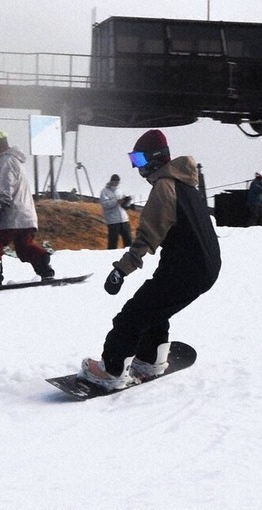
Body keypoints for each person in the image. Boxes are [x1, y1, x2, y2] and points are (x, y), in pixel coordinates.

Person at [78, 129, 221, 389]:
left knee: (131, 317)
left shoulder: (165, 186)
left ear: (155, 159)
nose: (138, 168)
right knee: (154, 307)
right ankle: (151, 357)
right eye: (134, 161)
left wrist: (121, 270)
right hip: (201, 267)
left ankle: (111, 370)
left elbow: (147, 237)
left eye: (140, 161)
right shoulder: (186, 183)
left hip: (187, 269)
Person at [0, 130, 54, 288]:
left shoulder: (5, 160)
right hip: (26, 216)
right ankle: (44, 264)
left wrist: (0, 207)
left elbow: (7, 184)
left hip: (11, 215)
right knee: (24, 247)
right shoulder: (16, 161)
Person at [99, 174, 133, 249]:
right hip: (113, 221)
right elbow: (105, 204)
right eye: (115, 182)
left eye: (118, 182)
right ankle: (111, 256)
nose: (116, 183)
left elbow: (125, 206)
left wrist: (128, 200)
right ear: (111, 181)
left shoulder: (119, 191)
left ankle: (129, 256)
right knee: (113, 241)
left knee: (128, 240)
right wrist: (116, 201)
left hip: (124, 219)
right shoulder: (104, 192)